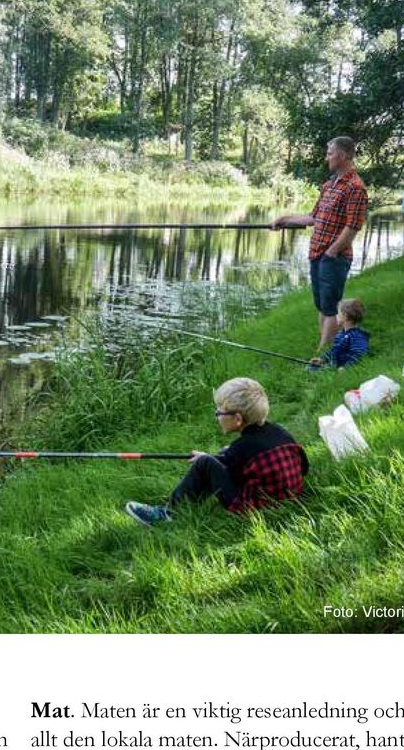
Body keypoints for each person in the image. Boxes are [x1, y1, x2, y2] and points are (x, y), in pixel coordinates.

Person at [125, 377, 309, 525]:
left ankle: (168, 513)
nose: (217, 416)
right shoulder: (281, 433)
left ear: (237, 419)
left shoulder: (241, 448)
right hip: (291, 499)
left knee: (205, 464)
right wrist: (222, 456)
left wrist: (206, 460)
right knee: (219, 455)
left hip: (257, 512)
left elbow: (225, 469)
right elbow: (304, 467)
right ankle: (185, 502)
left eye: (219, 412)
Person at [272, 136, 369, 354]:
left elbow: (353, 226)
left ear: (343, 156)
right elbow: (313, 218)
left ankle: (322, 355)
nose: (327, 158)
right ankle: (324, 348)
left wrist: (332, 252)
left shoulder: (355, 187)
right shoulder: (329, 185)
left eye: (330, 153)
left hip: (333, 258)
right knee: (322, 306)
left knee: (330, 307)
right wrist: (284, 219)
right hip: (317, 254)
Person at [309, 299, 369, 368]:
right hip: (334, 365)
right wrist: (322, 359)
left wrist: (346, 368)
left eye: (338, 313)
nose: (336, 315)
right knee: (311, 367)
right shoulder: (341, 334)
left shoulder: (358, 336)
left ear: (345, 316)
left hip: (342, 367)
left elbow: (358, 355)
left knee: (314, 370)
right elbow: (334, 350)